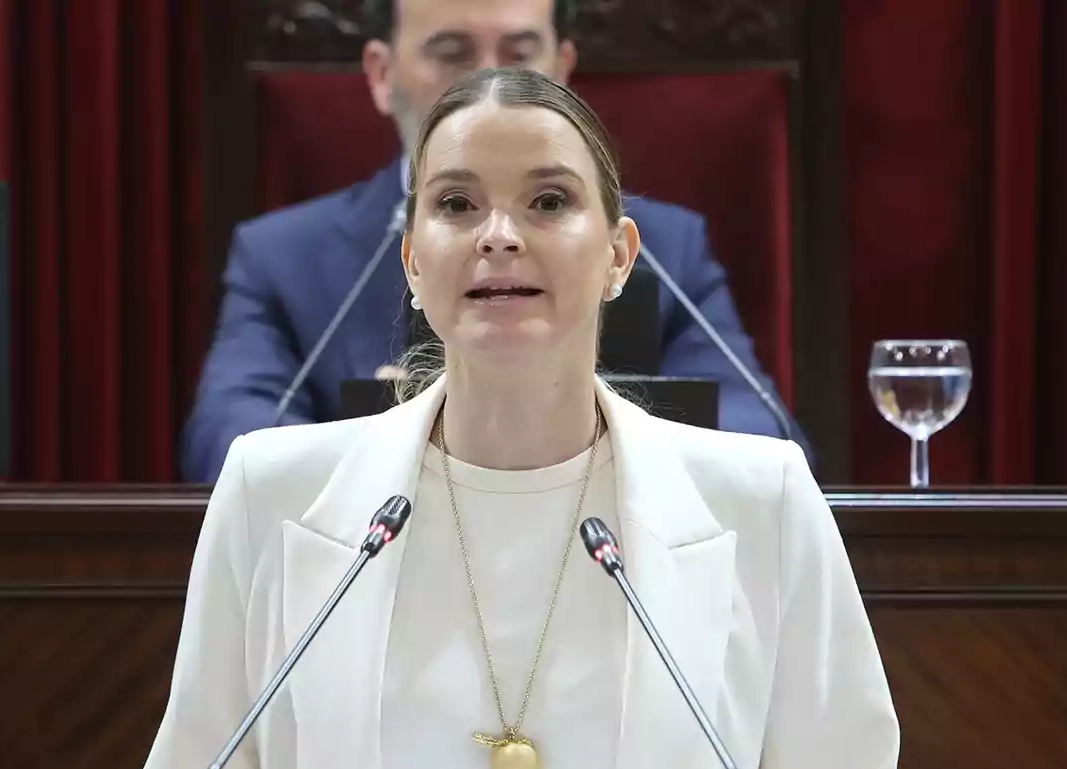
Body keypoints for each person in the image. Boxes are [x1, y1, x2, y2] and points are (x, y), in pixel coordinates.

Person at [130, 68, 907, 769]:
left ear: (619, 256)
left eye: (548, 200)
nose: (498, 235)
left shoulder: (762, 500)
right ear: (411, 260)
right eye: (457, 205)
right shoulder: (272, 494)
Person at [180, 0, 811, 485]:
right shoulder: (282, 256)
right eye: (452, 51)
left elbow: (758, 435)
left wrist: (572, 434)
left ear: (562, 70)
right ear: (381, 73)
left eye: (518, 52)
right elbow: (228, 444)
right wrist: (408, 446)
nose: (488, 80)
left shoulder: (667, 247)